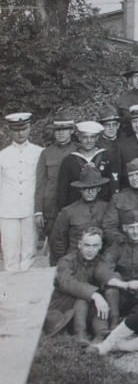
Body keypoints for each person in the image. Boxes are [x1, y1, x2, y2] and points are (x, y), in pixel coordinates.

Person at [43, 228, 114, 342]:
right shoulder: (67, 261)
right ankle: (80, 335)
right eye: (87, 245)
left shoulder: (101, 261)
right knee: (84, 297)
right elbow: (66, 282)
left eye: (95, 246)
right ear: (79, 244)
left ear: (100, 246)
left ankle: (101, 333)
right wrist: (94, 295)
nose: (90, 250)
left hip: (86, 310)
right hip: (63, 308)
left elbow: (107, 277)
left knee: (100, 297)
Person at [1, 112, 43, 271]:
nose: (20, 133)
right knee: (10, 254)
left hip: (29, 208)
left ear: (29, 128)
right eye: (16, 129)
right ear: (10, 131)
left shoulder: (39, 152)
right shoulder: (2, 156)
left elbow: (41, 182)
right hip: (7, 211)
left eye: (23, 128)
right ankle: (11, 293)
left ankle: (25, 292)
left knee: (29, 253)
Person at [50, 165, 110, 263]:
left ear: (99, 189)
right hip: (75, 261)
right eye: (86, 188)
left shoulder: (107, 208)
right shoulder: (68, 211)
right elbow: (58, 241)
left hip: (100, 260)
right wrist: (64, 263)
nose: (90, 192)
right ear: (80, 189)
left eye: (93, 188)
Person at [36, 119, 77, 240]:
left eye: (64, 129)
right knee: (54, 244)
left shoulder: (78, 150)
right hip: (51, 208)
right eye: (57, 130)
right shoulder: (46, 153)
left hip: (73, 203)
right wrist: (38, 211)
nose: (60, 133)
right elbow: (40, 184)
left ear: (71, 130)